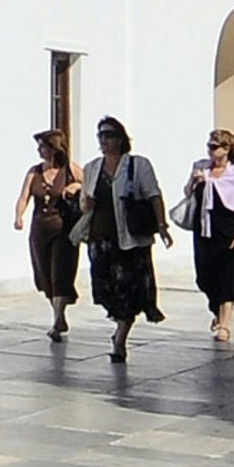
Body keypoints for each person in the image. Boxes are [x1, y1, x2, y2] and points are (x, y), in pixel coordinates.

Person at [83, 116, 167, 365]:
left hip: (130, 240)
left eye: (109, 135)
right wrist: (85, 203)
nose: (105, 140)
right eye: (101, 136)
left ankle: (120, 339)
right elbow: (85, 201)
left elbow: (153, 195)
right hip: (101, 238)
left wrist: (162, 225)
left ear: (121, 139)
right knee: (106, 292)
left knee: (129, 293)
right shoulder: (92, 168)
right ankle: (118, 327)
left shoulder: (137, 165)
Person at [14, 129, 85, 342]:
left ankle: (58, 319)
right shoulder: (34, 172)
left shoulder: (70, 170)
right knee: (44, 274)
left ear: (54, 148)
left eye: (42, 146)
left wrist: (77, 185)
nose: (39, 150)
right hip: (40, 229)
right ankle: (57, 314)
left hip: (64, 229)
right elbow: (24, 196)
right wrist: (19, 216)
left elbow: (90, 185)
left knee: (61, 273)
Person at [188, 132, 234, 343]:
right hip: (204, 230)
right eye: (209, 146)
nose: (211, 151)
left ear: (226, 149)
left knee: (227, 277)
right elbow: (187, 194)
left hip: (228, 231)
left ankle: (225, 326)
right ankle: (217, 312)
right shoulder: (201, 168)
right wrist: (195, 182)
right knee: (205, 277)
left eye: (216, 147)